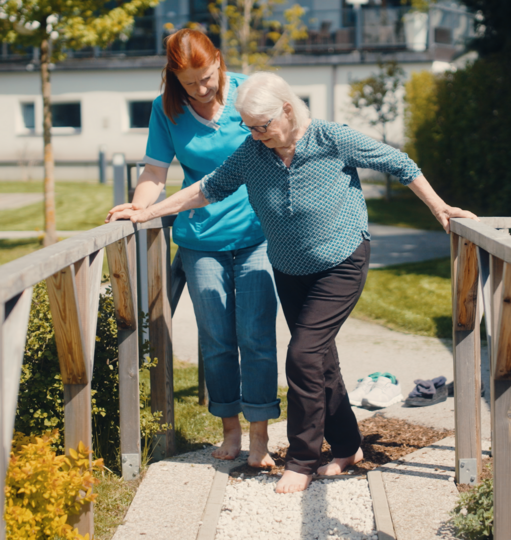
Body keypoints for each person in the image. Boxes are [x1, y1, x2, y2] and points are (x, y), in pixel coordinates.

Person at [110, 72, 479, 493]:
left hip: (341, 260)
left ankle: (302, 460)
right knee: (322, 362)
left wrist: (440, 208)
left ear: (287, 110)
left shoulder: (331, 139)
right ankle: (347, 448)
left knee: (303, 355)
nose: (255, 134)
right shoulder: (253, 152)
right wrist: (147, 212)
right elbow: (207, 189)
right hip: (290, 269)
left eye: (262, 126)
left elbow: (399, 163)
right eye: (248, 126)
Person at [106, 30, 280, 468]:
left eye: (207, 78)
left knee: (256, 337)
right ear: (174, 78)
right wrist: (139, 207)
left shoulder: (248, 93)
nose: (202, 89)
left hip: (258, 234)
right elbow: (155, 170)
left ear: (219, 61)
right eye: (190, 83)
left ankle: (260, 434)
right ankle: (230, 430)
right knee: (218, 340)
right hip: (201, 239)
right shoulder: (167, 109)